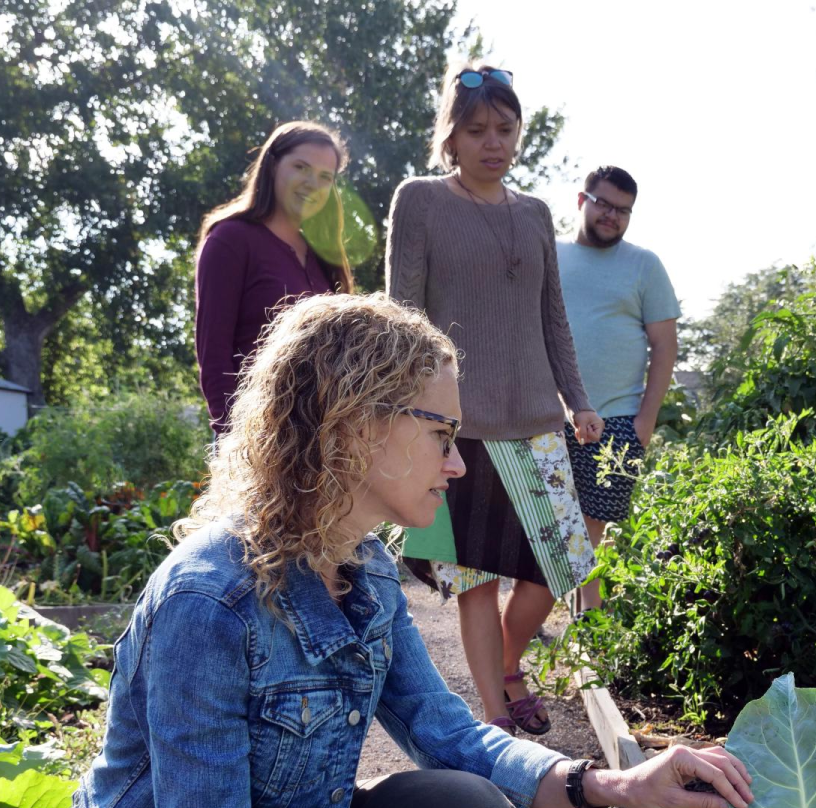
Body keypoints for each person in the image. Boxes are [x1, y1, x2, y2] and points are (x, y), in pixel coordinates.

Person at [52, 292, 753, 808]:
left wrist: (610, 783)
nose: (457, 464)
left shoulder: (366, 569)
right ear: (355, 426)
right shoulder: (211, 604)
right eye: (442, 435)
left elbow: (446, 732)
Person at [386, 62, 601, 738]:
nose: (493, 142)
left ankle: (511, 663)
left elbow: (553, 317)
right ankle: (496, 714)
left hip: (537, 421)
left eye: (505, 129)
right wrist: (407, 410)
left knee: (561, 563)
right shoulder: (420, 200)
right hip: (458, 426)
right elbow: (403, 313)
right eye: (476, 129)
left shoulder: (535, 214)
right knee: (475, 578)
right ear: (449, 137)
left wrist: (579, 400)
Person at [555, 166, 680, 612]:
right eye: (604, 204)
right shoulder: (549, 255)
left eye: (623, 210)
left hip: (618, 418)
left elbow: (665, 347)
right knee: (550, 527)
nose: (612, 215)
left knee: (597, 529)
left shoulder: (644, 265)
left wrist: (645, 422)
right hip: (547, 416)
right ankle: (545, 621)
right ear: (581, 199)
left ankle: (590, 627)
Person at [194, 120, 355, 434]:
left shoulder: (324, 255)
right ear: (271, 166)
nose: (313, 183)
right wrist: (236, 442)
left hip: (320, 441)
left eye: (326, 177)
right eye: (301, 167)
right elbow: (214, 356)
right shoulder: (230, 239)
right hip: (256, 438)